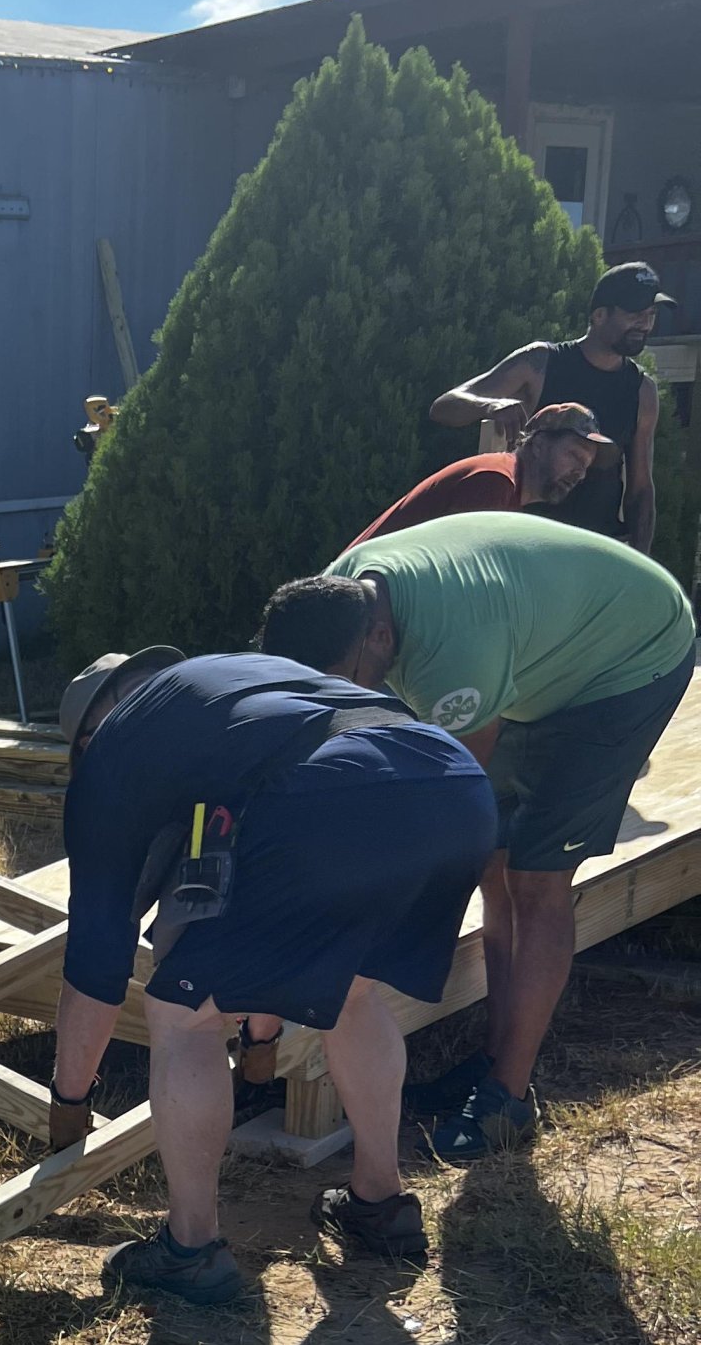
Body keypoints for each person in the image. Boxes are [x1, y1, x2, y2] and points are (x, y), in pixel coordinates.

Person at [48, 648, 498, 1305]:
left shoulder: (114, 758)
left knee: (182, 1016)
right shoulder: (233, 690)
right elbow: (261, 915)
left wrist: (68, 1103)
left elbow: (96, 957)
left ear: (88, 740)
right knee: (354, 990)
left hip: (329, 794)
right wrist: (259, 1044)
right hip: (453, 785)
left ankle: (191, 1249)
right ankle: (381, 1202)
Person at [264, 515, 695, 1158]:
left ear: (380, 636)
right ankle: (493, 1058)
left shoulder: (451, 653)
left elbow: (452, 791)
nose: (345, 694)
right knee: (493, 863)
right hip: (535, 645)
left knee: (535, 877)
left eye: (350, 679)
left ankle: (509, 1098)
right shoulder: (336, 599)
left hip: (630, 657)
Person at [428, 262, 675, 551]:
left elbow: (641, 489)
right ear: (599, 315)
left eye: (651, 314)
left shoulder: (642, 390)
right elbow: (444, 407)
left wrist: (641, 561)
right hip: (525, 543)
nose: (645, 324)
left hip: (595, 549)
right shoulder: (541, 363)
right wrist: (489, 405)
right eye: (634, 314)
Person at [349, 402, 616, 544]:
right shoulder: (494, 481)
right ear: (539, 444)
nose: (580, 473)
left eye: (586, 465)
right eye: (574, 456)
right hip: (354, 609)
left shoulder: (508, 495)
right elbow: (457, 576)